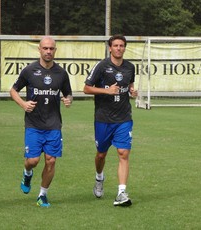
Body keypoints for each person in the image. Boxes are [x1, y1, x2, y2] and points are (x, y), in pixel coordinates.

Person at [10, 36, 73, 207]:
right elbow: (13, 90)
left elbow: (68, 93)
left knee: (51, 160)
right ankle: (27, 172)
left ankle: (42, 195)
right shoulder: (29, 70)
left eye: (51, 49)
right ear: (39, 49)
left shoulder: (61, 73)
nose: (48, 51)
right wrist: (23, 103)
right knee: (33, 161)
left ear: (55, 50)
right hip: (34, 124)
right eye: (45, 48)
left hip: (53, 124)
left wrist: (68, 100)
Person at [83, 34, 137, 207]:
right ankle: (99, 177)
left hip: (124, 118)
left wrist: (132, 91)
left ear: (124, 48)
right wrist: (107, 91)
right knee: (101, 154)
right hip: (103, 118)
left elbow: (129, 86)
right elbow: (86, 88)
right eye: (116, 45)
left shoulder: (130, 67)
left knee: (123, 153)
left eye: (122, 45)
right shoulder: (101, 66)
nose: (119, 48)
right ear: (110, 48)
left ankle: (121, 192)